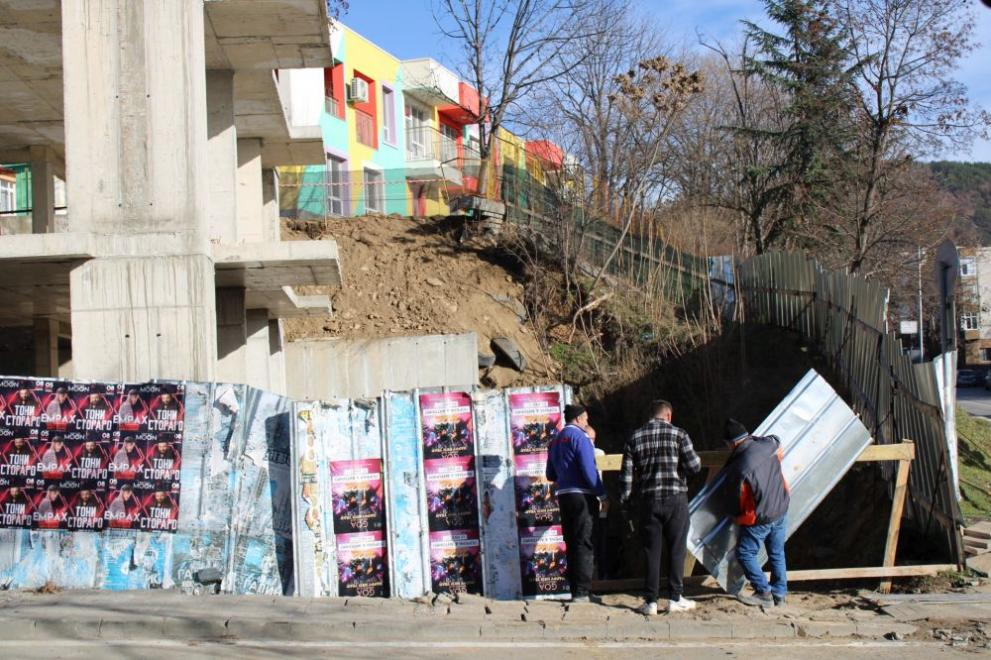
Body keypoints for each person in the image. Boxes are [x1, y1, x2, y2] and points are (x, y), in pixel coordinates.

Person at [620, 399, 701, 615]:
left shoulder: (634, 438)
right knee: (677, 548)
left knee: (651, 551)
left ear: (650, 415)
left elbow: (626, 478)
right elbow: (694, 466)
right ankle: (675, 597)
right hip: (675, 498)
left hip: (648, 501)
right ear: (668, 416)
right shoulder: (680, 434)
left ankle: (651, 601)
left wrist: (627, 503)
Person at [721, 418, 790, 607]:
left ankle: (763, 592)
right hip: (782, 507)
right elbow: (776, 439)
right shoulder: (769, 444)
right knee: (777, 552)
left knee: (744, 553)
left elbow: (737, 501)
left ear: (732, 443)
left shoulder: (738, 467)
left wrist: (734, 516)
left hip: (761, 516)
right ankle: (780, 594)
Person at [545, 403, 605, 603]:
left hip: (563, 495)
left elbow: (550, 474)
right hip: (582, 496)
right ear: (578, 419)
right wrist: (602, 494)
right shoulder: (581, 437)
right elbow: (589, 470)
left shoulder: (555, 441)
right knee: (584, 542)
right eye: (586, 419)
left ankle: (574, 590)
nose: (587, 422)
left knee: (570, 543)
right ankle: (583, 592)